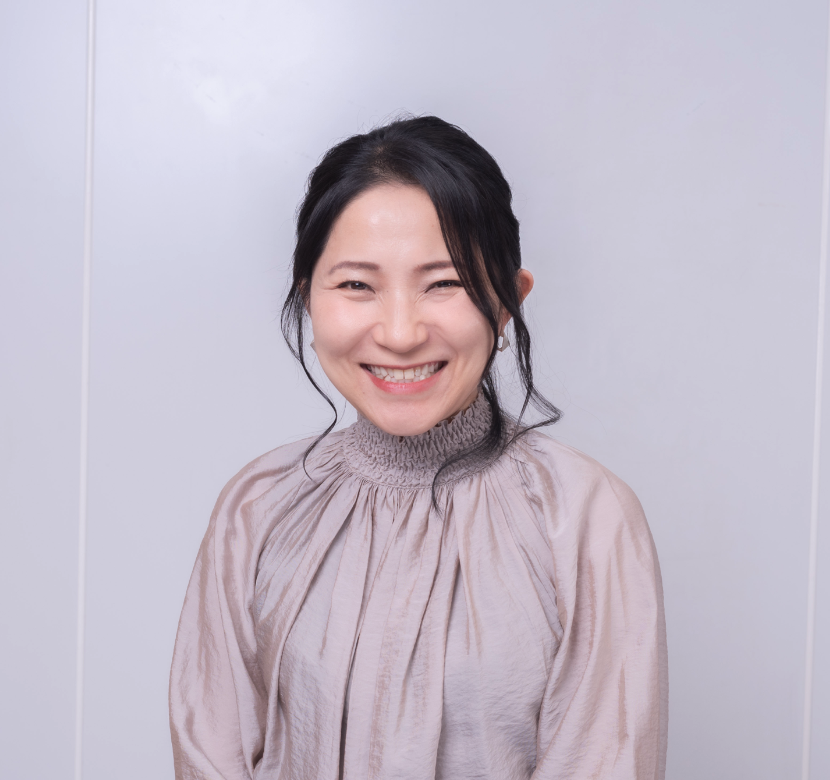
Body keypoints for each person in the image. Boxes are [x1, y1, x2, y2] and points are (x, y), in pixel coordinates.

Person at [169, 116, 668, 780]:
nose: (400, 334)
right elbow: (212, 755)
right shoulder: (258, 508)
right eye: (356, 285)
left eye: (445, 283)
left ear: (508, 301)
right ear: (308, 299)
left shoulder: (584, 517)